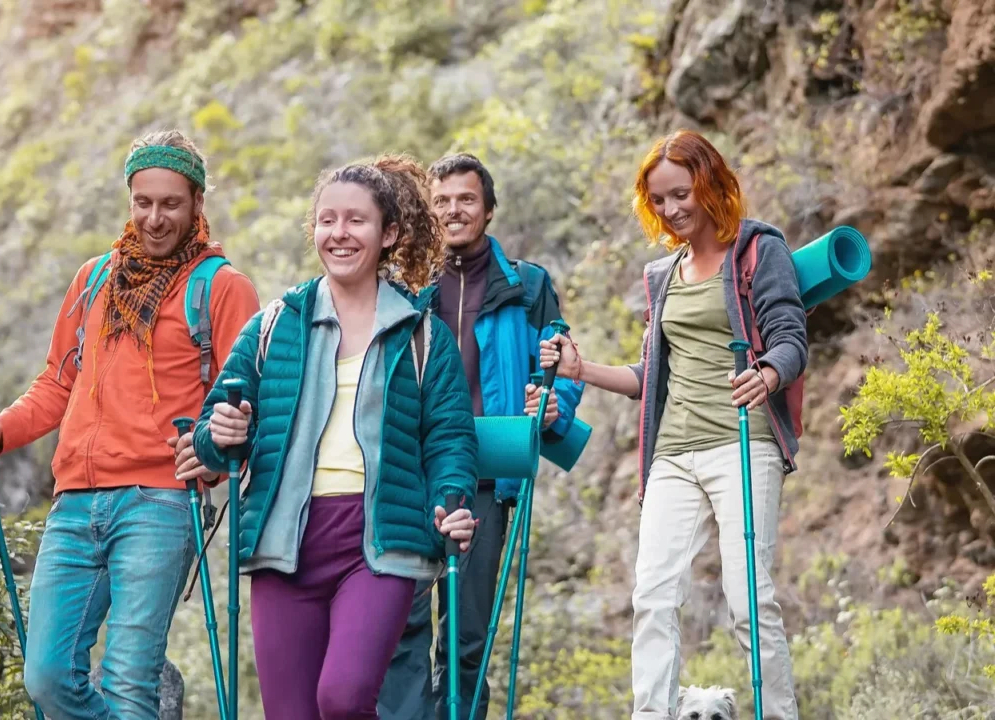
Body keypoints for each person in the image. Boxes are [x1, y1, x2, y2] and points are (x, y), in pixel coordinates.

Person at [0, 130, 261, 720]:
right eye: (143, 202)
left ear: (197, 203)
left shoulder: (222, 288)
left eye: (170, 203)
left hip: (161, 503)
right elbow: (57, 383)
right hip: (74, 502)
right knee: (47, 676)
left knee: (128, 682)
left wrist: (214, 459)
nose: (154, 217)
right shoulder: (94, 280)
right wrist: (0, 431)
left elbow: (243, 406)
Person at [185, 155, 479, 720]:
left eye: (356, 220)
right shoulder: (275, 325)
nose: (339, 233)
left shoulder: (423, 336)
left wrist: (452, 501)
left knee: (343, 699)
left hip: (379, 540)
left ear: (388, 233)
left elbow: (449, 440)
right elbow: (211, 432)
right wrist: (223, 433)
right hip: (285, 540)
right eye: (327, 220)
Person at [540, 129, 804, 720]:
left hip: (743, 443)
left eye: (681, 194)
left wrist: (768, 374)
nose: (672, 209)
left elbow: (790, 336)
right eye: (659, 199)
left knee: (749, 601)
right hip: (673, 454)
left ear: (710, 185)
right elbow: (649, 375)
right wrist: (582, 369)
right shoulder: (662, 274)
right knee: (653, 596)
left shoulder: (758, 250)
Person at [379, 153, 585, 720]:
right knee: (401, 627)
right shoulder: (406, 285)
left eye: (466, 199)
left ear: (488, 209)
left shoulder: (527, 285)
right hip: (410, 471)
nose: (454, 211)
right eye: (442, 201)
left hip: (489, 477)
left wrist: (553, 405)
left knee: (467, 637)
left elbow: (561, 365)